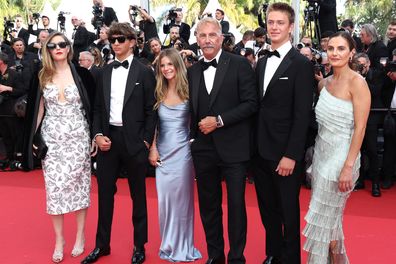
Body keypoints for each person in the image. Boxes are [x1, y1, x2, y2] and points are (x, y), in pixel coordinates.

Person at [81, 22, 157, 264]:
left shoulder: (145, 72)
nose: (115, 43)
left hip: (134, 141)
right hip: (108, 140)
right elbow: (97, 109)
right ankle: (101, 245)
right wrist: (98, 135)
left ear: (132, 42)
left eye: (121, 39)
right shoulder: (104, 72)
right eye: (112, 39)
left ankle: (139, 246)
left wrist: (145, 140)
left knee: (138, 195)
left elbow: (151, 110)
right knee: (104, 195)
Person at [187, 17, 258, 264]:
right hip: (203, 150)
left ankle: (236, 258)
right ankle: (215, 256)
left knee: (236, 206)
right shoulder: (192, 71)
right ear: (196, 39)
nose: (207, 40)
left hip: (234, 148)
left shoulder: (239, 64)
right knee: (209, 206)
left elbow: (251, 104)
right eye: (202, 35)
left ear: (221, 38)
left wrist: (218, 120)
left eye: (212, 35)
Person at [25, 31, 94, 263]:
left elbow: (92, 108)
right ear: (48, 50)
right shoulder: (42, 75)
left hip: (78, 139)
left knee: (79, 189)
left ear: (69, 47)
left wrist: (95, 136)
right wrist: (34, 138)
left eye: (62, 44)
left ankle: (80, 236)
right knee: (54, 191)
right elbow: (39, 109)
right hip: (53, 140)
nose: (58, 48)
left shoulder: (82, 74)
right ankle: (59, 240)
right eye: (53, 45)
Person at [254, 3, 314, 263]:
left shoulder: (300, 64)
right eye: (271, 22)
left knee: (288, 211)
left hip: (285, 153)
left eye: (280, 23)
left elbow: (302, 115)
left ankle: (290, 259)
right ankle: (273, 253)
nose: (274, 27)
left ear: (291, 27)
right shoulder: (262, 60)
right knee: (267, 208)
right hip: (259, 150)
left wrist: (292, 154)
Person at [303, 31, 370, 263]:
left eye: (341, 48)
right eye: (331, 48)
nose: (334, 53)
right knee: (329, 222)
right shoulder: (323, 84)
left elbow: (360, 129)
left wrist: (348, 167)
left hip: (343, 157)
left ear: (351, 52)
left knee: (324, 219)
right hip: (322, 155)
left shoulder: (358, 83)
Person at [148, 48, 201, 262]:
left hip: (183, 153)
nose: (166, 68)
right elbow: (153, 124)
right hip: (162, 153)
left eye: (170, 64)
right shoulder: (157, 90)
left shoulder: (190, 90)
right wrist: (152, 148)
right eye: (163, 65)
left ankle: (183, 247)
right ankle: (168, 245)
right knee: (165, 203)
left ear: (178, 65)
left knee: (182, 203)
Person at [353, 53, 384, 197]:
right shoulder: (352, 76)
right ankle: (359, 180)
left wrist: (361, 79)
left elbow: (375, 92)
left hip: (371, 116)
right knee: (357, 149)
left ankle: (375, 184)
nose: (361, 67)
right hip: (355, 116)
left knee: (372, 150)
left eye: (363, 64)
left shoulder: (377, 75)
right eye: (358, 64)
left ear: (369, 63)